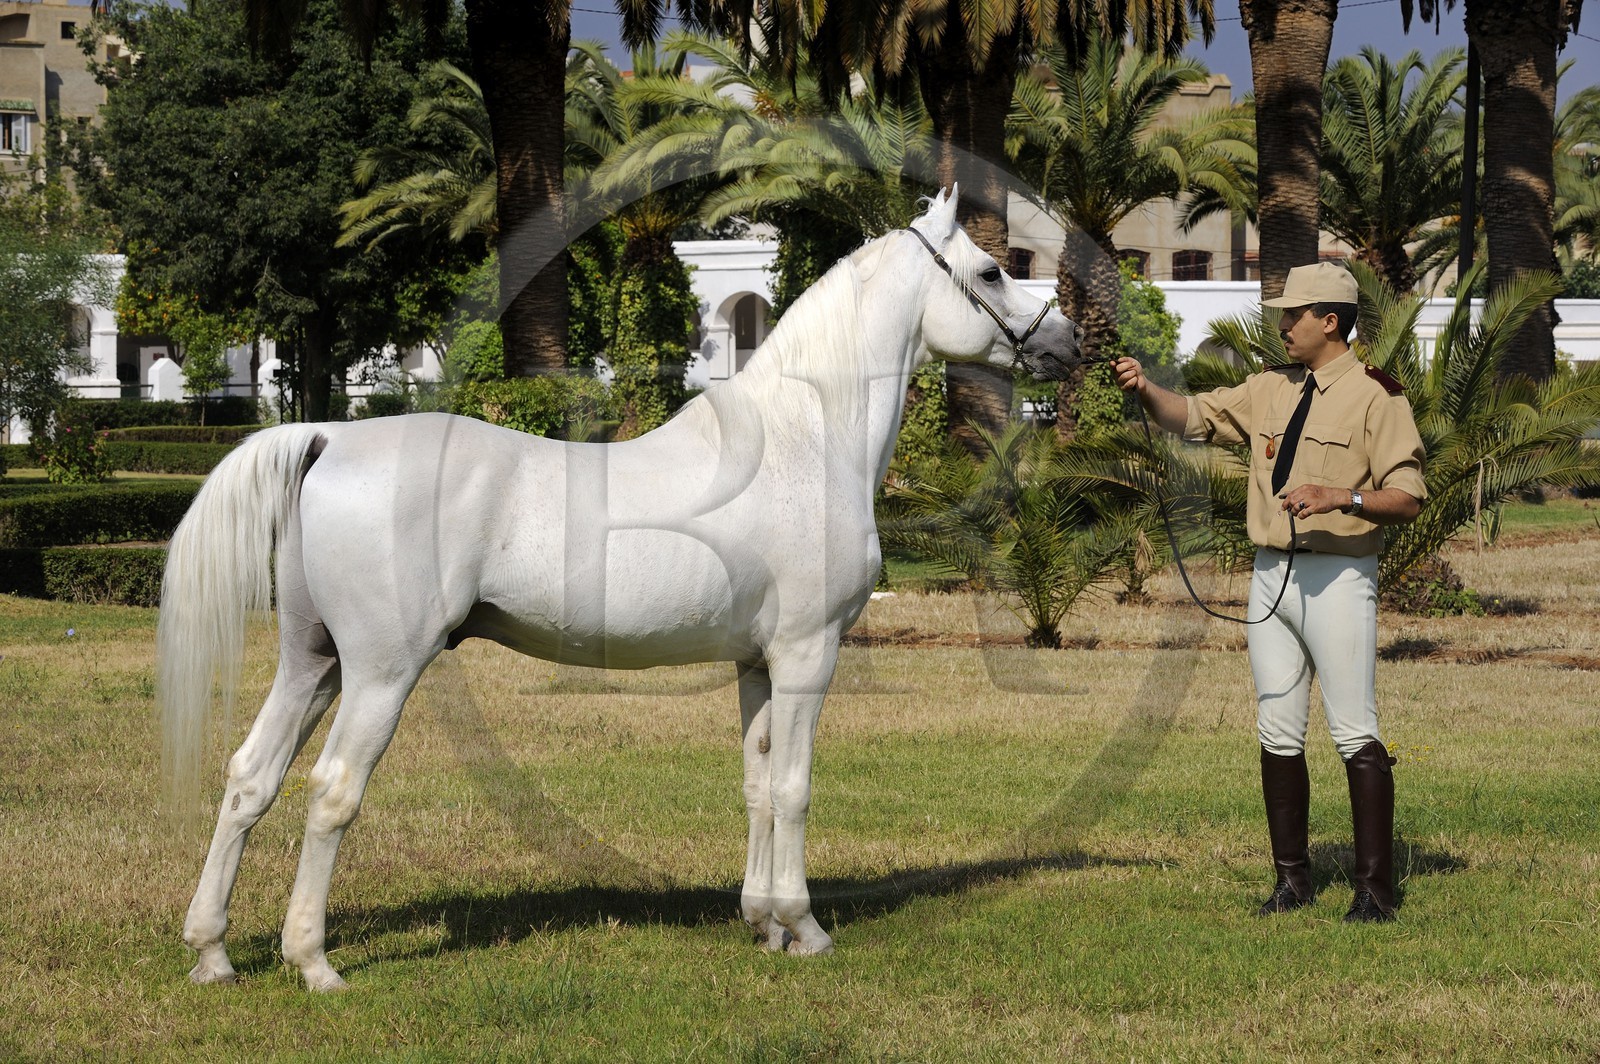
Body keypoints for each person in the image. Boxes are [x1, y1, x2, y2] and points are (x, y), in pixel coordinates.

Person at [1113, 261, 1426, 922]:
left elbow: (1409, 496)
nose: (1283, 325)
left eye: (1295, 314)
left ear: (1331, 320)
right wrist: (1146, 389)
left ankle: (1374, 891)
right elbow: (1191, 415)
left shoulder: (1380, 396)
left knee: (1353, 730)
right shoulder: (1269, 388)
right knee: (1278, 728)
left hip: (1339, 576)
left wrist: (1344, 495)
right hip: (1270, 579)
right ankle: (1292, 882)